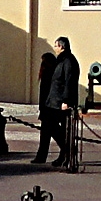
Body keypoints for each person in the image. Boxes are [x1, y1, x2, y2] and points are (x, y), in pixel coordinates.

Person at [35, 37, 79, 168]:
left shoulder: (68, 61)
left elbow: (68, 82)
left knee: (54, 127)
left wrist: (66, 101)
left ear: (62, 46)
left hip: (60, 102)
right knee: (51, 127)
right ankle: (66, 152)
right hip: (53, 102)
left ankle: (68, 150)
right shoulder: (62, 60)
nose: (54, 48)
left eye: (56, 46)